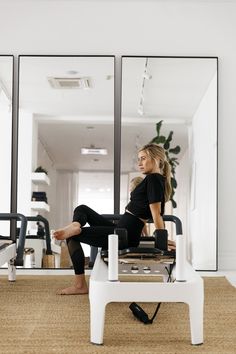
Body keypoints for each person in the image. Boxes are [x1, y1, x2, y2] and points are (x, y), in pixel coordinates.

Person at [53, 143, 175, 295]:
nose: (139, 163)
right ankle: (75, 224)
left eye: (143, 159)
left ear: (156, 159)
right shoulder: (152, 180)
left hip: (124, 235)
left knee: (72, 237)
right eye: (139, 159)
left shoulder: (154, 179)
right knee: (82, 209)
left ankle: (80, 286)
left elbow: (156, 214)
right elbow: (145, 214)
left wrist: (162, 241)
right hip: (121, 229)